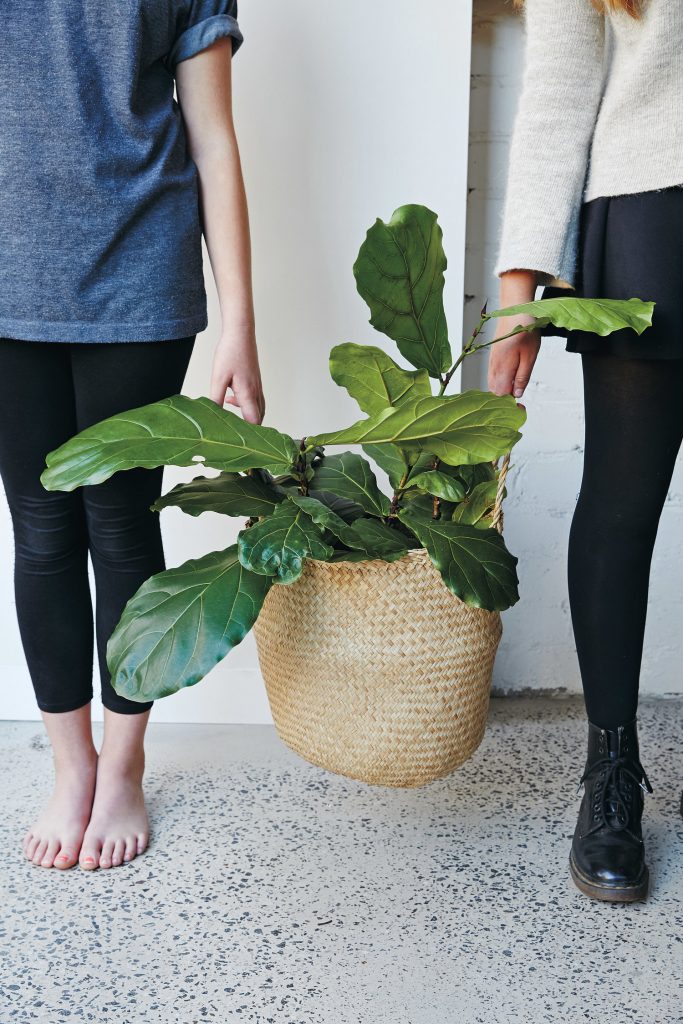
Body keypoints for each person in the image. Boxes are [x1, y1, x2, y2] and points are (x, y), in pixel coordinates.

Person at [1, 1, 265, 871]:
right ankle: (71, 768)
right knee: (40, 530)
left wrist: (238, 326)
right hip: (8, 286)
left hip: (140, 280)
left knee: (118, 525)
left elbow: (214, 139)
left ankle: (122, 766)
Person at [489, 0, 681, 901]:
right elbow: (559, 85)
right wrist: (521, 283)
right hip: (652, 203)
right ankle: (610, 777)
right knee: (620, 500)